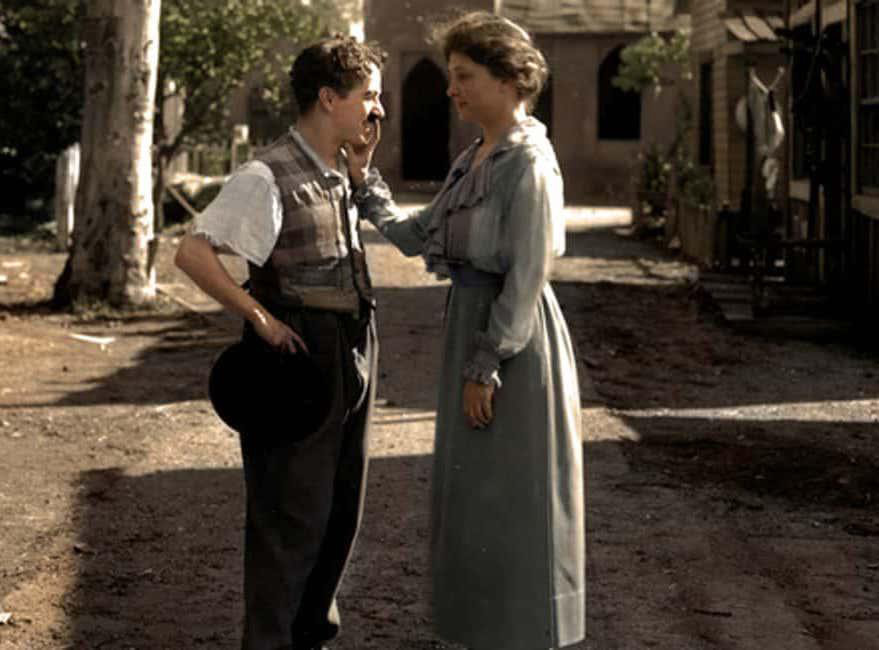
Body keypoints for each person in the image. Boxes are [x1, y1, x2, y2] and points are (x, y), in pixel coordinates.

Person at [346, 11, 585, 650]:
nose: (451, 90)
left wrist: (487, 363)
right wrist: (365, 180)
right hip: (473, 330)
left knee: (512, 494)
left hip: (513, 341)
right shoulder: (476, 155)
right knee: (474, 495)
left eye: (464, 76)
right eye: (450, 76)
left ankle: (522, 633)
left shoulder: (528, 163)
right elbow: (420, 234)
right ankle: (481, 632)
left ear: (509, 79)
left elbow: (528, 276)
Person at [174, 35, 386, 650]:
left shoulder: (340, 169)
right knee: (289, 517)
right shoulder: (267, 174)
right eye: (368, 96)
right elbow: (193, 252)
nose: (377, 110)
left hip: (353, 345)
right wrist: (260, 318)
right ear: (328, 98)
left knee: (341, 511)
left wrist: (361, 172)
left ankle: (308, 637)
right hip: (299, 357)